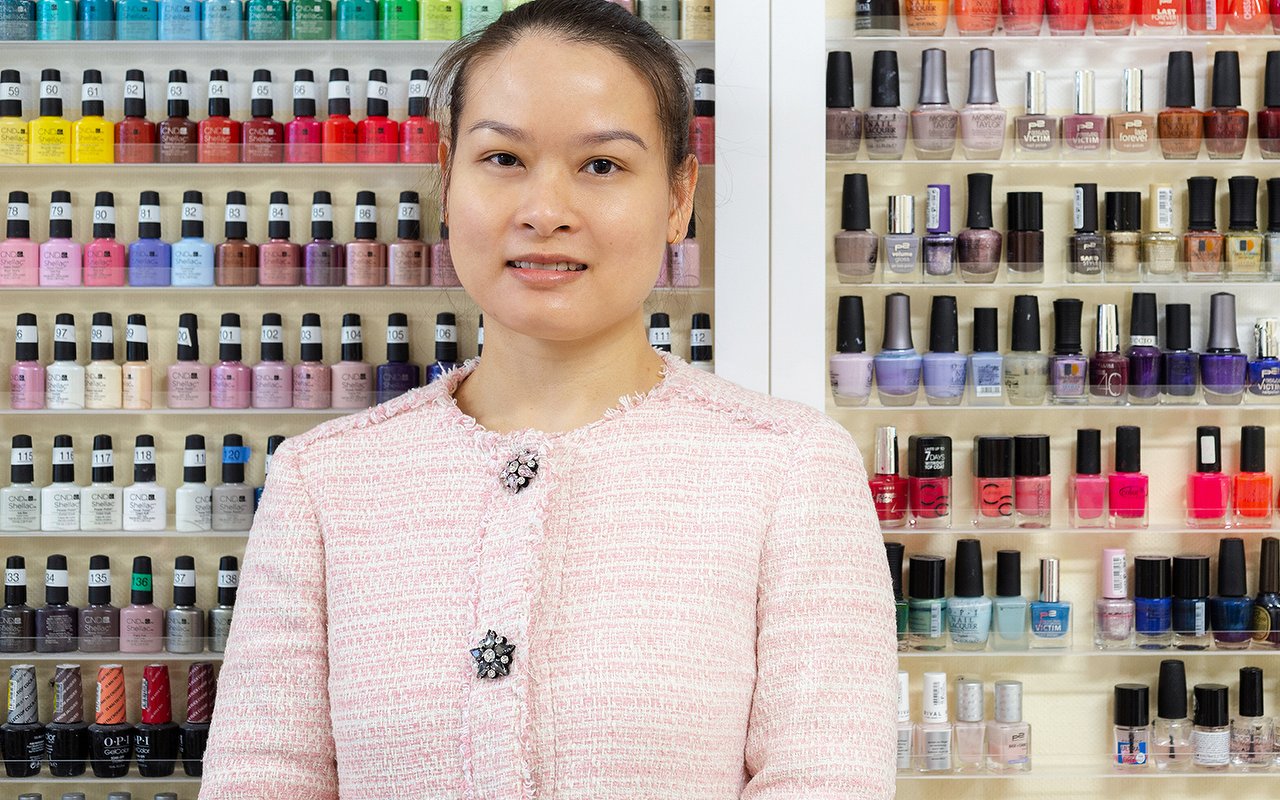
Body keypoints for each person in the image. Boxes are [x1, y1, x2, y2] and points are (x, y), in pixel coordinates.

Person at [198, 1, 896, 797]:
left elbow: (825, 778)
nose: (545, 212)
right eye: (503, 158)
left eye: (602, 166)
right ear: (446, 180)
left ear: (678, 198)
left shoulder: (790, 470)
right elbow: (264, 776)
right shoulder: (321, 481)